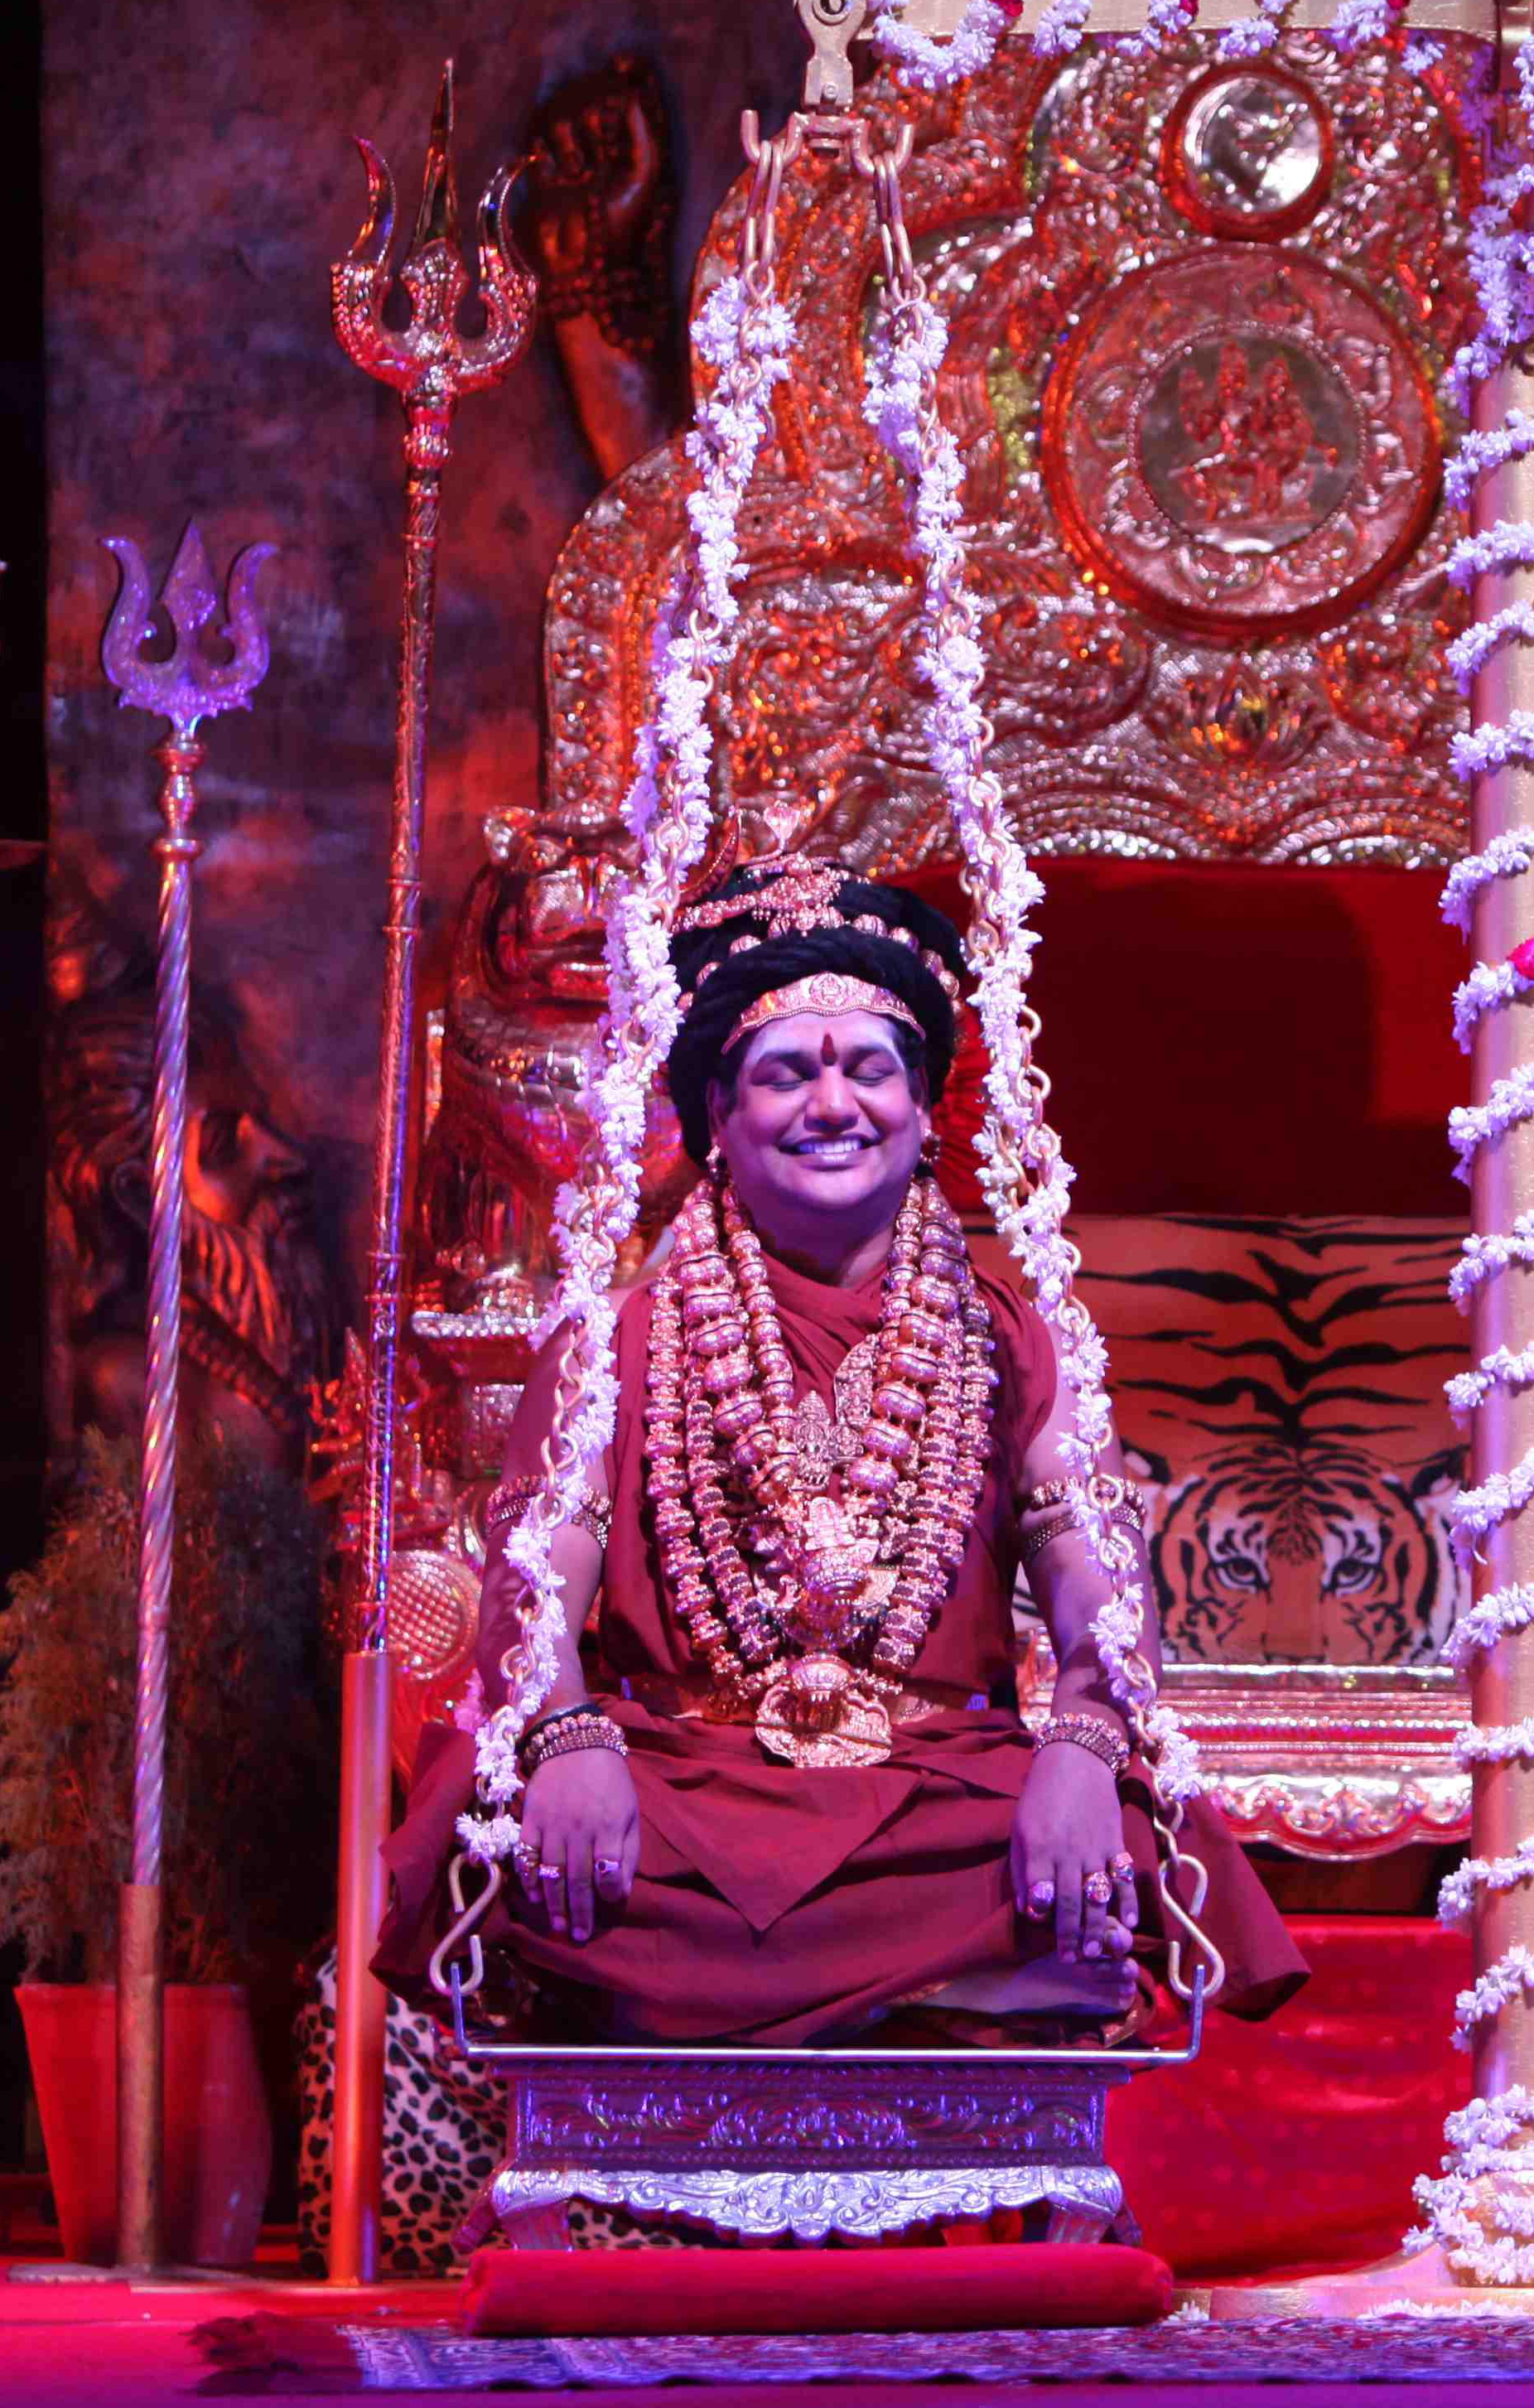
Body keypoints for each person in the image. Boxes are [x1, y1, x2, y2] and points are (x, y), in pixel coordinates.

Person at [383, 859, 1303, 2045]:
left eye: (870, 1069)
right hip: (686, 1787)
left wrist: (1079, 1757)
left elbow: (1106, 1615)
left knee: (1110, 1831)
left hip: (935, 1791)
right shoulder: (611, 1343)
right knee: (525, 1833)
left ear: (922, 1114)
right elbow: (534, 1601)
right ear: (718, 1119)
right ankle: (958, 1980)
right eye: (785, 1074)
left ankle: (709, 1993)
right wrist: (567, 1737)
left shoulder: (1018, 1339)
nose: (833, 1105)